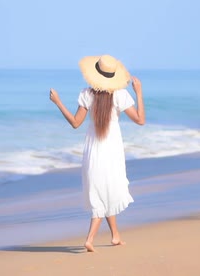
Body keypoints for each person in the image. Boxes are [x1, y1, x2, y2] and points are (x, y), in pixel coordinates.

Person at [49, 54, 145, 252]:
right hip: (112, 150)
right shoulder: (120, 95)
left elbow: (76, 123)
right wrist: (139, 92)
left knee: (103, 190)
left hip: (93, 151)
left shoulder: (87, 94)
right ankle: (89, 239)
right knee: (106, 192)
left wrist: (58, 102)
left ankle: (115, 235)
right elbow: (140, 120)